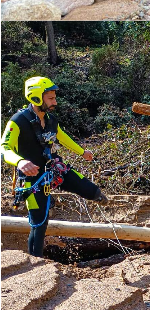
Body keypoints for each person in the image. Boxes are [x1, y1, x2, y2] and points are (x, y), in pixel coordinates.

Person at [1, 77, 108, 257]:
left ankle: (100, 199)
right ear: (36, 97)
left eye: (54, 97)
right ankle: (36, 261)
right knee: (39, 222)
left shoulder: (51, 119)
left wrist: (82, 152)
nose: (55, 102)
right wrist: (20, 162)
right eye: (50, 98)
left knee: (91, 190)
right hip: (32, 180)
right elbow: (4, 148)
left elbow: (62, 136)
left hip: (54, 170)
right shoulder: (18, 121)